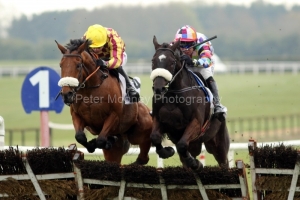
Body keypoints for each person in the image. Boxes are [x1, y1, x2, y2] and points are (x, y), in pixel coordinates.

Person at [174, 25, 227, 114]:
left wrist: (192, 62)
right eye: (182, 44)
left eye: (188, 44)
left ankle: (217, 104)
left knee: (207, 75)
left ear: (195, 42)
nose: (185, 49)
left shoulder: (202, 41)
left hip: (202, 63)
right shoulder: (174, 44)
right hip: (186, 62)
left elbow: (207, 61)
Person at [83, 24, 139, 102]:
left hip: (116, 56)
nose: (96, 49)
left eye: (99, 47)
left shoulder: (113, 37)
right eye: (93, 47)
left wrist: (105, 63)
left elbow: (117, 61)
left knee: (117, 67)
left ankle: (130, 88)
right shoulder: (86, 37)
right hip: (96, 58)